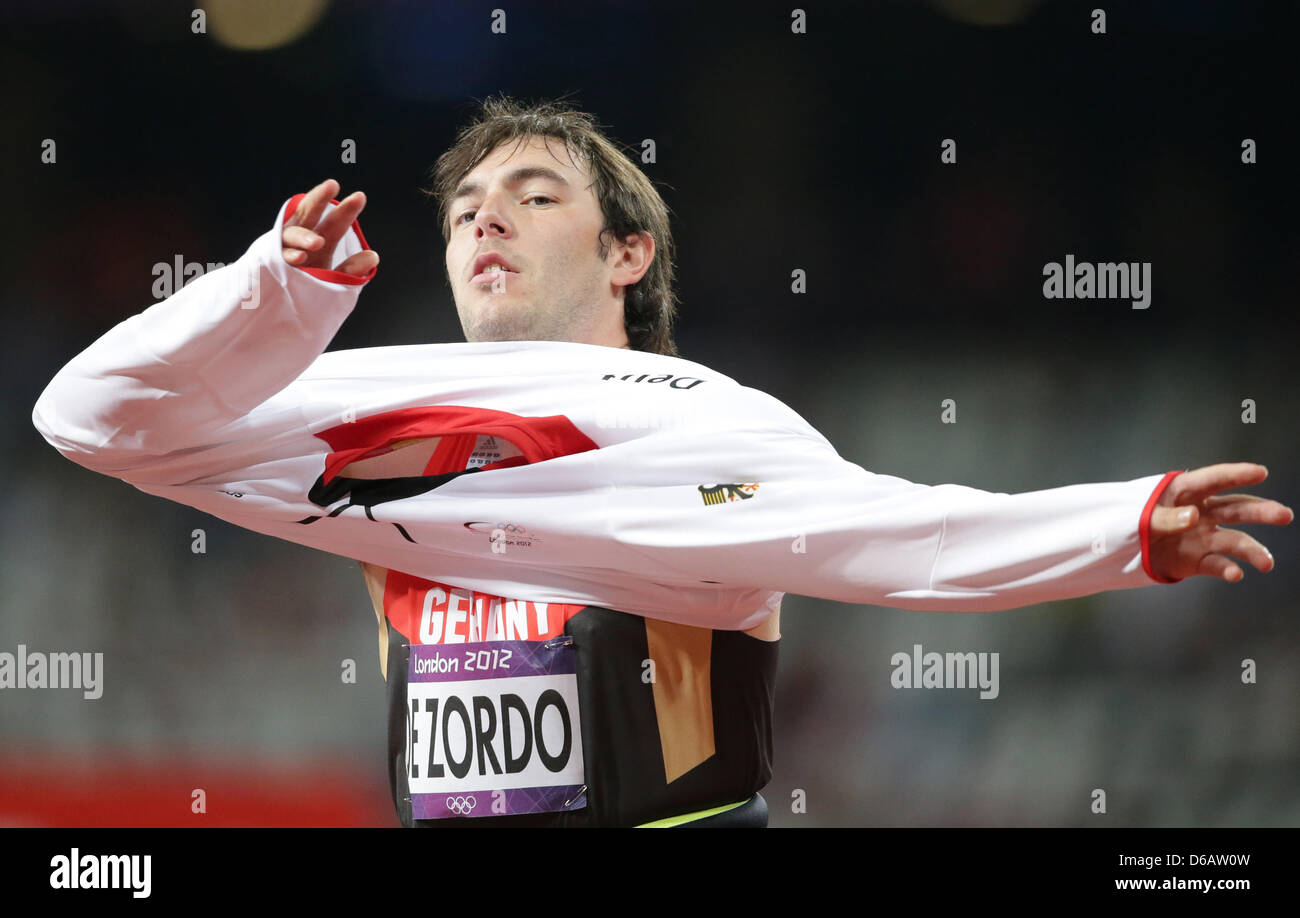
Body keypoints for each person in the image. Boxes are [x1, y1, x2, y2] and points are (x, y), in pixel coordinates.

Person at [32, 96, 1292, 828]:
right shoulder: (354, 409)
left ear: (627, 253)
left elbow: (896, 537)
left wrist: (1119, 527)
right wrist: (275, 291)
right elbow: (91, 416)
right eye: (467, 202)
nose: (484, 214)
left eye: (531, 194)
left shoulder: (695, 422)